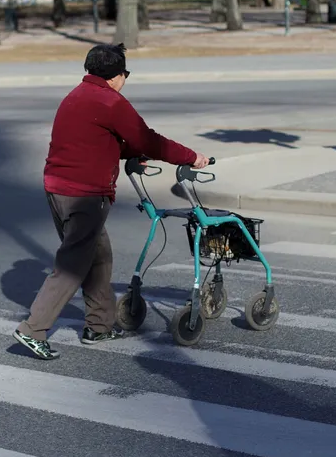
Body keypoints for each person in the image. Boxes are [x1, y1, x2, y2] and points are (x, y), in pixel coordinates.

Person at [12, 43, 210, 359]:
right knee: (72, 265)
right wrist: (191, 157)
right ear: (117, 76)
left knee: (99, 257)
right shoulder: (111, 102)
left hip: (57, 189)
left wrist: (132, 153)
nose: (125, 79)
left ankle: (99, 326)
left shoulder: (74, 97)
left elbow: (94, 141)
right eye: (125, 74)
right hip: (85, 196)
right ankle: (33, 330)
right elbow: (149, 139)